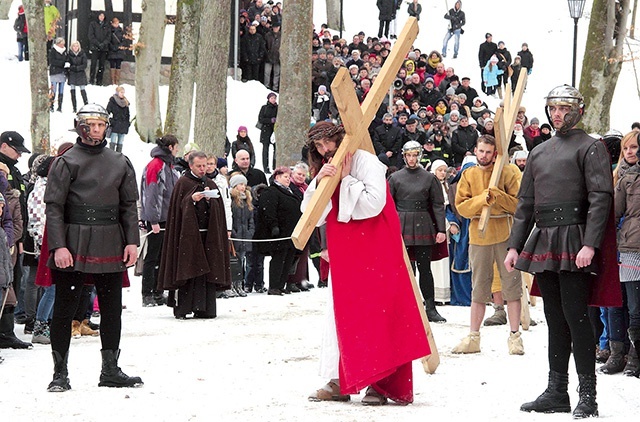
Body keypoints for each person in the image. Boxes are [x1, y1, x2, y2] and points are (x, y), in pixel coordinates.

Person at [505, 85, 614, 418]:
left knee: (577, 318)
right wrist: (514, 245)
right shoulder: (538, 152)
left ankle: (588, 396)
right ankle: (556, 392)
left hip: (574, 238)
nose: (557, 114)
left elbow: (600, 198)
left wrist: (590, 244)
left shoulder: (591, 148)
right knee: (555, 319)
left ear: (577, 110)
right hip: (544, 238)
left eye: (564, 109)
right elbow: (525, 203)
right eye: (553, 108)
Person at [304, 121, 430, 406]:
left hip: (374, 246)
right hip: (344, 248)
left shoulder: (367, 161)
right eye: (319, 147)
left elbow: (375, 203)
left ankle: (380, 383)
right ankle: (340, 379)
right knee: (340, 313)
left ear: (339, 137)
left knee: (378, 312)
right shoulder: (326, 166)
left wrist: (347, 180)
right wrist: (321, 182)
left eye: (328, 143)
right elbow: (313, 212)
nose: (325, 150)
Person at [43, 104, 141, 392]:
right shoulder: (66, 162)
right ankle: (60, 373)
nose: (96, 129)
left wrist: (132, 241)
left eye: (100, 124)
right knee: (64, 309)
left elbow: (128, 207)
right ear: (80, 127)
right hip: (73, 241)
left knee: (112, 310)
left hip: (111, 238)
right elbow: (54, 208)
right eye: (91, 125)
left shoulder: (120, 162)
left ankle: (110, 370)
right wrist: (59, 246)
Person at [453, 135, 523, 356]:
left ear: (495, 154)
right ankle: (473, 336)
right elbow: (462, 207)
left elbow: (519, 204)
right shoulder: (469, 174)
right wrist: (482, 199)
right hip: (479, 236)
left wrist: (498, 197)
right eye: (480, 151)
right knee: (479, 288)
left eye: (488, 152)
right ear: (475, 150)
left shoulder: (509, 171)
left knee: (512, 287)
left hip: (504, 234)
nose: (483, 156)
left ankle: (515, 336)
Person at [157, 151, 231, 319]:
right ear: (190, 166)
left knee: (207, 272)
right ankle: (184, 307)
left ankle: (204, 308)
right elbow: (178, 209)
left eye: (205, 165)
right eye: (199, 166)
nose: (202, 169)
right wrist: (192, 200)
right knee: (188, 269)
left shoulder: (211, 183)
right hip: (188, 237)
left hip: (208, 237)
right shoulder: (183, 183)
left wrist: (209, 201)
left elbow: (219, 210)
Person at [388, 141, 447, 322]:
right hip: (401, 225)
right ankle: (404, 307)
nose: (412, 159)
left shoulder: (430, 178)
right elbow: (388, 206)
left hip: (424, 223)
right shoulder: (395, 178)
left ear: (419, 156)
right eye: (409, 155)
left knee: (425, 268)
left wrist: (441, 229)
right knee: (404, 270)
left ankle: (430, 307)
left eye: (415, 155)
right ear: (404, 156)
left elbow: (437, 205)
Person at [139, 135, 180, 307]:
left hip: (167, 218)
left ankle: (158, 290)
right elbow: (151, 194)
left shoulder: (170, 166)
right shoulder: (156, 166)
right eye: (176, 146)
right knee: (152, 256)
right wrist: (153, 220)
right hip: (157, 219)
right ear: (170, 147)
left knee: (163, 256)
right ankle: (147, 292)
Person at [614, 131, 640, 378]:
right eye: (626, 148)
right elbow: (614, 212)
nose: (630, 152)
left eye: (634, 147)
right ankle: (633, 356)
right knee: (633, 308)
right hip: (631, 248)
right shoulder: (621, 179)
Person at [254, 167, 301, 295]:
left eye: (288, 177)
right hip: (278, 232)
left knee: (288, 258)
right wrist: (273, 225)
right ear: (277, 177)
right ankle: (274, 285)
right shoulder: (272, 191)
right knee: (278, 259)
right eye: (285, 177)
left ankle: (281, 284)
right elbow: (268, 209)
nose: (288, 179)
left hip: (291, 232)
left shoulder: (291, 191)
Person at [229, 174, 254, 295]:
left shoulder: (247, 200)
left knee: (242, 260)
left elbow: (251, 219)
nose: (243, 187)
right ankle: (233, 284)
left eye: (244, 184)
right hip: (235, 235)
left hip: (245, 236)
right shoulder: (232, 201)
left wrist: (250, 232)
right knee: (234, 261)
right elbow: (231, 218)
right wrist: (234, 232)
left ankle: (240, 284)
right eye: (240, 184)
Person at [88, 11, 111, 85]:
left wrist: (103, 43)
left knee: (102, 65)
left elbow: (108, 36)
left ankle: (99, 81)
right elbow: (91, 35)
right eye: (100, 15)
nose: (101, 17)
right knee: (93, 64)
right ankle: (91, 80)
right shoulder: (93, 24)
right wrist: (98, 43)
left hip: (104, 48)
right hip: (95, 47)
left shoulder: (107, 25)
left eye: (103, 16)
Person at [106, 86, 131, 153]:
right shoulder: (113, 101)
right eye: (121, 92)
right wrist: (110, 121)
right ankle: (111, 155)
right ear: (117, 92)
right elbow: (107, 111)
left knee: (120, 142)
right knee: (113, 141)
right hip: (115, 123)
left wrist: (127, 123)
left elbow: (127, 114)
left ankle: (118, 156)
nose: (122, 94)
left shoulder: (125, 102)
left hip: (123, 125)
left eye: (123, 92)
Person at [258, 92, 278, 173]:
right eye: (272, 98)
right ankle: (266, 168)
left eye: (274, 98)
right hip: (266, 130)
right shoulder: (264, 108)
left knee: (276, 149)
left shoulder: (278, 107)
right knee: (265, 150)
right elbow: (260, 119)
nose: (273, 100)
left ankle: (275, 166)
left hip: (275, 130)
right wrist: (270, 120)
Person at [67, 41, 89, 113]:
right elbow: (68, 64)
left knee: (83, 90)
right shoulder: (69, 54)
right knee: (72, 91)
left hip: (80, 73)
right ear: (72, 47)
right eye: (74, 46)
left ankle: (86, 105)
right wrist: (72, 68)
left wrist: (77, 68)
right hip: (72, 74)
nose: (75, 48)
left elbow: (84, 64)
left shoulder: (82, 54)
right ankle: (74, 107)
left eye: (77, 46)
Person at [48, 37, 67, 112]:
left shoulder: (65, 51)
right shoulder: (53, 51)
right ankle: (51, 105)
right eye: (61, 44)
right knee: (53, 90)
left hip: (62, 72)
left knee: (61, 90)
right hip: (55, 72)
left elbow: (67, 59)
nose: (63, 45)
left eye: (63, 44)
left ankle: (60, 106)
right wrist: (62, 63)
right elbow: (52, 61)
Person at [108, 18, 127, 86]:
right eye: (115, 23)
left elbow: (123, 40)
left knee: (118, 65)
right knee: (112, 65)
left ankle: (117, 81)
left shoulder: (121, 31)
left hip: (119, 51)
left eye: (117, 23)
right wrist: (113, 47)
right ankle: (113, 81)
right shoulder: (110, 30)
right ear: (112, 23)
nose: (116, 24)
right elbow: (108, 40)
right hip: (112, 50)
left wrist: (119, 46)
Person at [264, 22, 281, 91]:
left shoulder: (282, 35)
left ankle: (275, 87)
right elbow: (264, 46)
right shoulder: (268, 35)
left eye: (277, 27)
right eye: (274, 27)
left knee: (277, 73)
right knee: (267, 73)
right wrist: (267, 53)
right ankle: (266, 86)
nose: (275, 28)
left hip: (278, 57)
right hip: (269, 56)